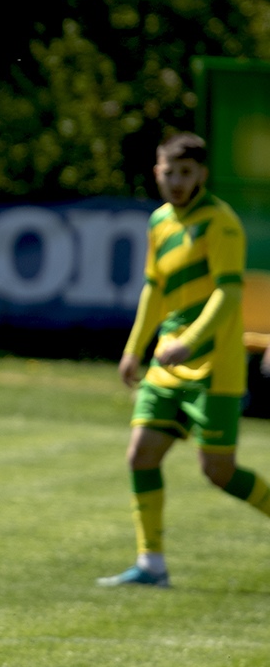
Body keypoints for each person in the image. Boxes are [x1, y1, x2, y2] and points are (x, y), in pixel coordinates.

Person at [99, 132, 270, 589]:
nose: (175, 181)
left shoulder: (221, 222)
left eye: (185, 173)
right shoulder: (159, 221)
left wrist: (191, 342)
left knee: (219, 471)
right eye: (169, 172)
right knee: (141, 455)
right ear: (157, 171)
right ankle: (151, 564)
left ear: (202, 175)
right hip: (167, 364)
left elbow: (228, 293)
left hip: (214, 367)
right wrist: (134, 349)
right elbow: (154, 288)